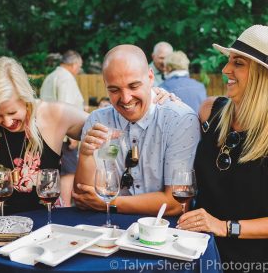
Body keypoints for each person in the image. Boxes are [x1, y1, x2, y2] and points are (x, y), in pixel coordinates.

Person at [177, 25, 268, 269]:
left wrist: (224, 226)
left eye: (238, 63)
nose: (225, 69)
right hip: (196, 251)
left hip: (250, 262)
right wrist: (163, 100)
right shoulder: (210, 111)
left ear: (262, 75)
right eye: (228, 61)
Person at [73, 44, 200, 216]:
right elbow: (84, 198)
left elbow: (177, 203)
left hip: (163, 232)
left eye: (133, 86)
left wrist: (111, 203)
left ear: (150, 77)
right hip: (108, 229)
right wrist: (86, 155)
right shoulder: (98, 120)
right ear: (105, 85)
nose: (125, 99)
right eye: (114, 89)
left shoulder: (180, 119)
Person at [0, 56, 88, 216]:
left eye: (12, 112)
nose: (7, 122)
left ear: (26, 99)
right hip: (0, 229)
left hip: (51, 226)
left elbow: (104, 126)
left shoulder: (54, 114)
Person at [40, 50, 85, 205]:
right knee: (68, 173)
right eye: (79, 67)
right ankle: (64, 207)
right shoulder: (66, 79)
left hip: (46, 133)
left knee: (54, 172)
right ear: (74, 64)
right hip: (65, 135)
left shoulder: (50, 76)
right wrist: (73, 137)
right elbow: (66, 108)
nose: (79, 70)